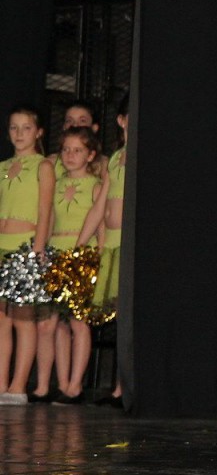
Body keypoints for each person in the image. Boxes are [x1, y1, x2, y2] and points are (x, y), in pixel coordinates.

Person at [75, 94, 130, 406]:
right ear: (121, 120)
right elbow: (99, 206)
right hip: (110, 243)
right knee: (119, 316)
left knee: (128, 315)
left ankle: (126, 385)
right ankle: (119, 388)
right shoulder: (114, 158)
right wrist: (81, 243)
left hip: (126, 243)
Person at [46, 126, 105, 403]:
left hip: (81, 258)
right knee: (58, 323)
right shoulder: (56, 184)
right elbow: (49, 219)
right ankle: (62, 383)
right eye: (66, 150)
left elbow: (101, 226)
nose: (70, 155)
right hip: (56, 255)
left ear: (90, 155)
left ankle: (75, 384)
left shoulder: (95, 186)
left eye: (77, 150)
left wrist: (99, 256)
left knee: (79, 322)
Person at [0, 106, 50, 405]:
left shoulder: (43, 166)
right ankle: (1, 382)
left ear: (38, 132)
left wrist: (37, 249)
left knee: (23, 318)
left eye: (26, 128)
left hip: (24, 248)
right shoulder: (3, 166)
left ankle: (18, 386)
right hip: (1, 246)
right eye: (13, 127)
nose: (19, 134)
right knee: (1, 320)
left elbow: (45, 210)